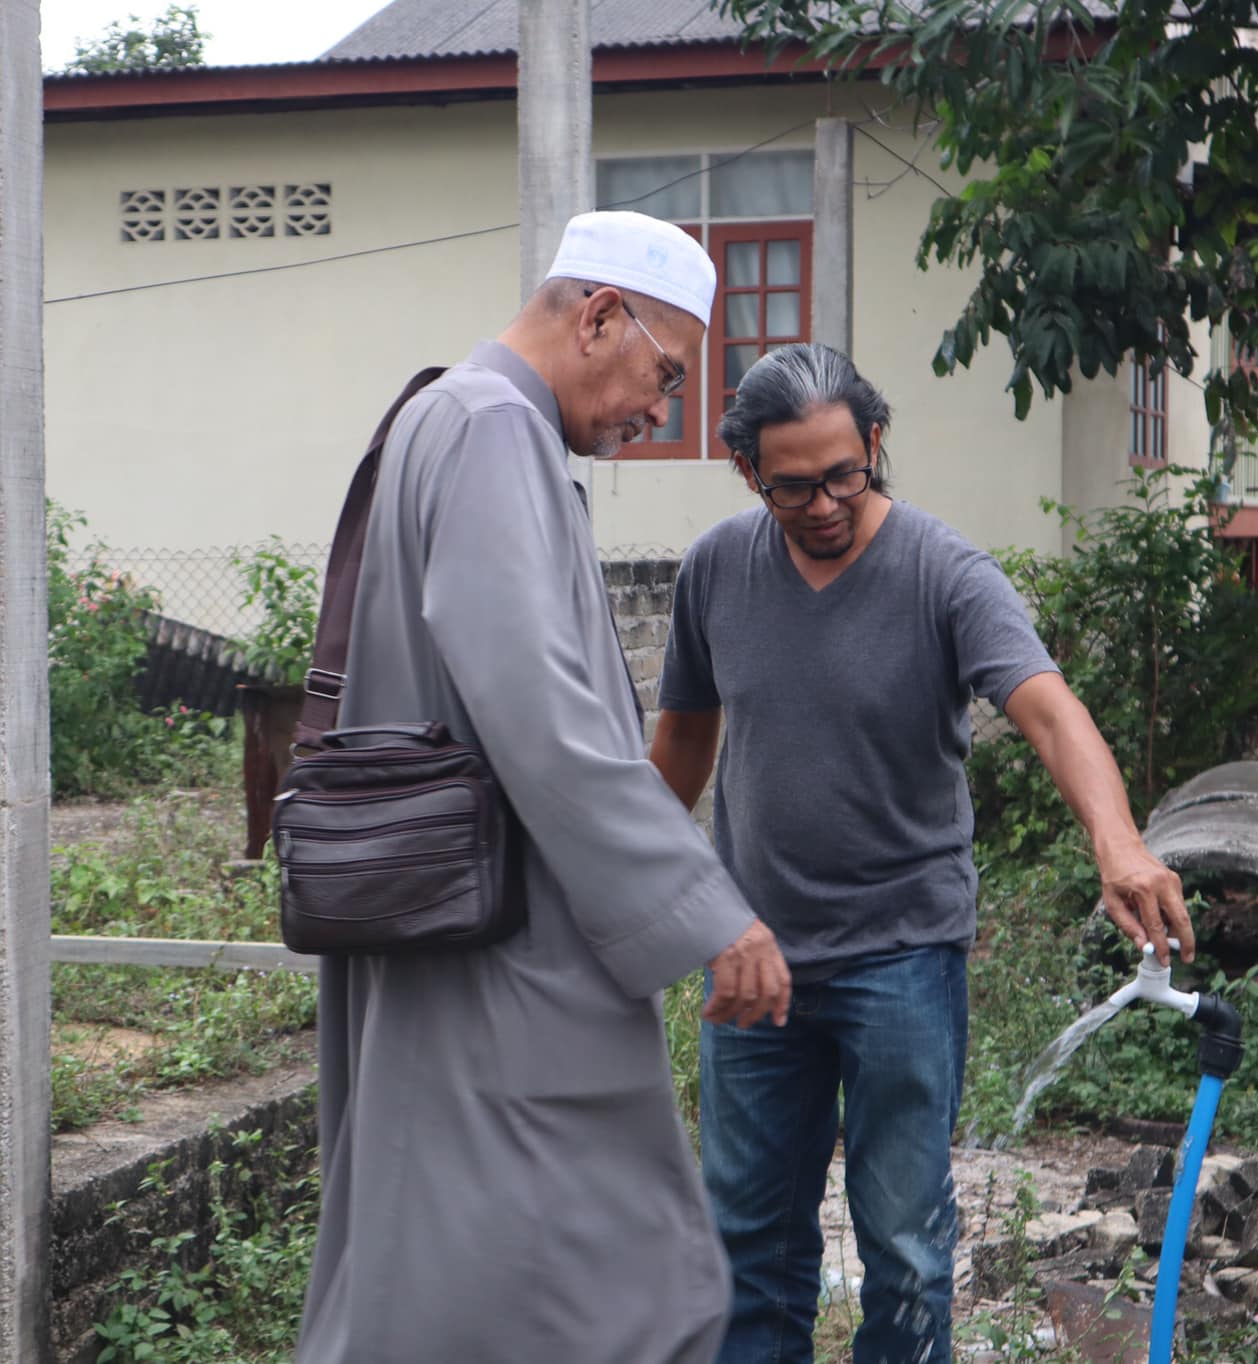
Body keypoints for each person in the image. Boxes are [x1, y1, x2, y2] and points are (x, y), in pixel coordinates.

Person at [294, 211, 793, 1364]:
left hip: (451, 914)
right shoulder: (489, 431)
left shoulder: (448, 413)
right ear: (599, 315)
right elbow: (543, 711)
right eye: (661, 375)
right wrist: (710, 913)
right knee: (618, 1263)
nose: (656, 411)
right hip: (501, 933)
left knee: (443, 1241)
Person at [649, 343, 1192, 1364]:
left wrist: (1117, 842)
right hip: (753, 951)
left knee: (901, 1245)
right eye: (792, 483)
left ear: (875, 443)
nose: (821, 502)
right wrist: (630, 889)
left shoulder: (941, 571)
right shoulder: (717, 568)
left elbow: (1049, 712)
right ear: (747, 473)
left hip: (900, 955)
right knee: (745, 1243)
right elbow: (681, 743)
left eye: (843, 473)